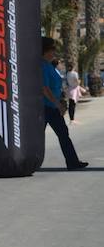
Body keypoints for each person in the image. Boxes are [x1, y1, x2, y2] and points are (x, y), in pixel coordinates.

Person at [41, 37, 87, 170]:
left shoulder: (49, 65)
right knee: (43, 136)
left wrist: (60, 101)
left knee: (63, 134)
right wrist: (57, 104)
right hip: (46, 107)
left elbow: (56, 87)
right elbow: (44, 88)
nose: (54, 52)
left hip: (53, 106)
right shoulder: (43, 66)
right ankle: (30, 160)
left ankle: (72, 162)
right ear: (45, 51)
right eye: (52, 50)